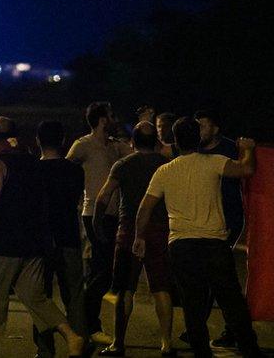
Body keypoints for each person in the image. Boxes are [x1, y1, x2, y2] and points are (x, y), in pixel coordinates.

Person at [133, 117, 262, 358]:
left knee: (192, 304)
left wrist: (139, 237)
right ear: (197, 139)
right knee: (231, 301)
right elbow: (247, 169)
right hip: (214, 243)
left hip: (181, 245)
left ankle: (201, 352)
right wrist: (247, 150)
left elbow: (144, 208)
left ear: (176, 141)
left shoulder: (164, 171)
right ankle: (250, 350)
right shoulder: (214, 162)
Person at [0, 117, 85, 358]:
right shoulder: (32, 162)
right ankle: (73, 338)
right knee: (35, 297)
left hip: (3, 241)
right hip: (34, 243)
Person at [92, 122, 174, 356]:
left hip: (128, 230)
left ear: (133, 142)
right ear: (155, 143)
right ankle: (166, 344)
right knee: (161, 287)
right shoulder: (166, 165)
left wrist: (97, 226)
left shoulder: (123, 165)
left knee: (125, 289)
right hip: (160, 229)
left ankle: (118, 343)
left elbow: (103, 196)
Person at [66, 101, 129, 344]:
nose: (114, 119)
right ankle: (87, 323)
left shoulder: (115, 146)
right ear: (102, 120)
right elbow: (67, 169)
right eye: (111, 116)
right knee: (103, 271)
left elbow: (141, 155)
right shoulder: (83, 145)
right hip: (93, 213)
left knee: (100, 269)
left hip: (113, 214)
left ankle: (85, 324)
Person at [32, 120, 87, 358]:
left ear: (38, 141)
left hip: (41, 241)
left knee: (40, 296)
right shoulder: (75, 170)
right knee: (74, 294)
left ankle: (45, 350)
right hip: (69, 236)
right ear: (63, 140)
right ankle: (79, 345)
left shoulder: (32, 171)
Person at [194, 109, 245, 349]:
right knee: (214, 276)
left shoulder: (230, 148)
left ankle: (232, 331)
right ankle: (205, 327)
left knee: (220, 277)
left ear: (215, 128)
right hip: (204, 220)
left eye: (203, 126)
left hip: (227, 220)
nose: (199, 131)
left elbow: (249, 168)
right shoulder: (194, 148)